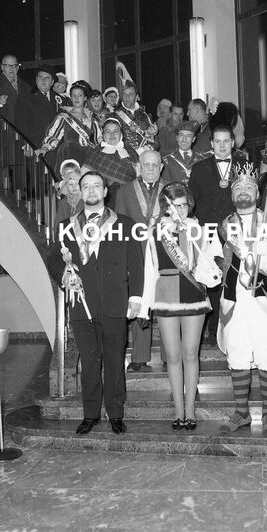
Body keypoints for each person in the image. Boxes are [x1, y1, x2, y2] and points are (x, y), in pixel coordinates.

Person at [46, 171, 144, 436]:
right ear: (79, 191)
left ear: (105, 192)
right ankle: (90, 414)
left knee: (114, 361)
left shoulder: (125, 223)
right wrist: (64, 275)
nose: (91, 191)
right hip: (81, 301)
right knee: (89, 363)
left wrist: (136, 297)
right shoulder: (66, 226)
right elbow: (53, 258)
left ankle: (116, 414)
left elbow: (136, 263)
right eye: (86, 186)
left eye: (96, 186)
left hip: (115, 301)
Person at [208, 164, 267, 436]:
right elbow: (212, 261)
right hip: (233, 300)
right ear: (232, 194)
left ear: (258, 193)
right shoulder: (224, 226)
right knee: (237, 353)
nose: (243, 192)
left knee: (266, 354)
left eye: (249, 187)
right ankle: (241, 412)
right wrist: (208, 271)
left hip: (264, 299)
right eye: (238, 188)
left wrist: (266, 249)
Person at [140, 182, 221, 430]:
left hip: (193, 293)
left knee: (190, 354)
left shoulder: (199, 230)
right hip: (165, 294)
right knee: (173, 356)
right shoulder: (156, 232)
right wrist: (144, 306)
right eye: (175, 205)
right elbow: (150, 269)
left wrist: (207, 266)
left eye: (184, 205)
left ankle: (190, 410)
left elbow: (211, 262)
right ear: (166, 207)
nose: (180, 210)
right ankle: (178, 410)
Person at [188, 124, 248, 342]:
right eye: (218, 141)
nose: (222, 146)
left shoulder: (245, 166)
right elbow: (192, 201)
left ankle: (235, 328)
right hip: (209, 231)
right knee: (212, 278)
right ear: (212, 144)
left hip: (236, 230)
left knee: (236, 276)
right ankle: (214, 330)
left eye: (226, 141)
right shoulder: (199, 168)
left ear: (233, 142)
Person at [115, 149, 167, 371]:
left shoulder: (172, 190)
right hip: (137, 254)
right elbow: (119, 227)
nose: (151, 168)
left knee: (165, 304)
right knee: (140, 302)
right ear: (138, 167)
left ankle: (170, 356)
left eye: (155, 165)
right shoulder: (124, 191)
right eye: (147, 165)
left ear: (161, 167)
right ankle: (139, 357)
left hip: (165, 254)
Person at [35, 81, 101, 179]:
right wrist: (45, 147)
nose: (77, 98)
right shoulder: (64, 117)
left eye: (80, 95)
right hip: (69, 153)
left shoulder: (92, 119)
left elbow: (97, 140)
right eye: (74, 95)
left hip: (88, 156)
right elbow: (54, 135)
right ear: (71, 97)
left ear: (85, 98)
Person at [0, 53, 31, 126]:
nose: (12, 68)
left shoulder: (26, 86)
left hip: (24, 127)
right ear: (2, 67)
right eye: (8, 65)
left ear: (18, 67)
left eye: (14, 65)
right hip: (4, 128)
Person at [113, 80, 158, 153]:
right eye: (124, 94)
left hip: (145, 155)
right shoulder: (113, 116)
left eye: (130, 94)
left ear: (136, 97)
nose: (127, 97)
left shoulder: (146, 116)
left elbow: (156, 142)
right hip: (124, 156)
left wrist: (145, 150)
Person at [162, 120, 207, 185]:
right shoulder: (167, 161)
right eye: (181, 135)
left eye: (188, 136)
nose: (184, 139)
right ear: (177, 138)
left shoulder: (202, 160)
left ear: (193, 139)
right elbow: (166, 185)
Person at [53, 158, 83, 226]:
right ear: (63, 176)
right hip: (67, 207)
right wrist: (58, 188)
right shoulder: (62, 184)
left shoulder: (81, 181)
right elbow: (59, 195)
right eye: (68, 175)